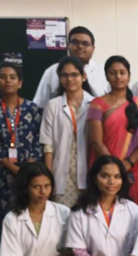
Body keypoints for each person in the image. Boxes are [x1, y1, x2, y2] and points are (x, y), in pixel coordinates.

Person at [87, 56, 138, 215]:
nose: (118, 77)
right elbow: (96, 141)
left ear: (129, 76)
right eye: (113, 73)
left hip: (134, 169)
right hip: (104, 169)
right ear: (106, 76)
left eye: (122, 72)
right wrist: (114, 167)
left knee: (137, 214)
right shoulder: (97, 104)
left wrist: (129, 163)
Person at [0, 62, 43, 237]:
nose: (8, 81)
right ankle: (9, 251)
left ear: (20, 83)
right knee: (7, 213)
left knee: (30, 211)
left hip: (31, 172)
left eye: (12, 77)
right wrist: (14, 169)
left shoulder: (32, 108)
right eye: (3, 77)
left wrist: (29, 166)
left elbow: (39, 138)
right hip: (4, 172)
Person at [41, 56, 94, 207]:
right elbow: (48, 146)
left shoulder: (95, 104)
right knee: (62, 217)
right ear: (60, 78)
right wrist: (48, 178)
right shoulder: (52, 105)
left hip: (88, 171)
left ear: (84, 76)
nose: (69, 79)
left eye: (74, 75)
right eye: (65, 75)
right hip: (62, 173)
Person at [33, 26, 109, 109]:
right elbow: (40, 105)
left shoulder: (104, 71)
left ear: (93, 48)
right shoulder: (52, 71)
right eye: (75, 42)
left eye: (85, 43)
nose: (80, 46)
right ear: (68, 45)